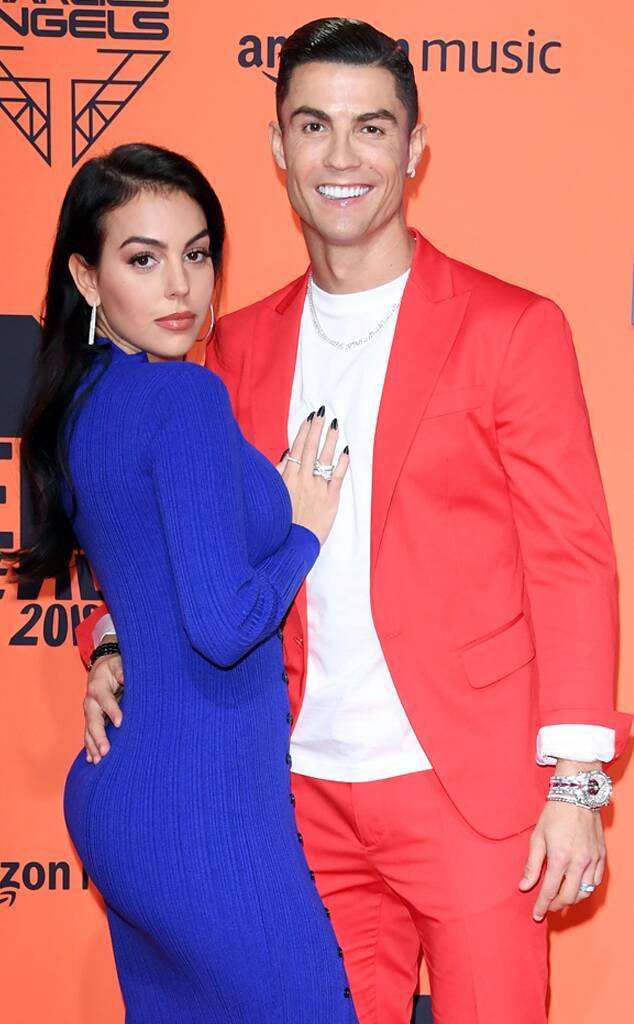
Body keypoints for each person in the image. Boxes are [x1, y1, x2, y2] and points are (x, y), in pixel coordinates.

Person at [77, 20, 631, 1024]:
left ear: (414, 147)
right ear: (278, 147)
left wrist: (577, 780)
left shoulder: (511, 327)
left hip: (471, 791)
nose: (342, 156)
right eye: (314, 126)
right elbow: (168, 532)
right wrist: (112, 638)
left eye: (370, 127)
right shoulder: (228, 349)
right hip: (290, 798)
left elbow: (572, 560)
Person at [6, 142, 356, 1023]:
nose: (180, 287)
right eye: (143, 259)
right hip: (203, 809)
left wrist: (109, 641)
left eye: (197, 255)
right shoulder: (185, 399)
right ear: (86, 278)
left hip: (122, 799)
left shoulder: (81, 403)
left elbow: (146, 577)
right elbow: (224, 624)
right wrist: (304, 531)